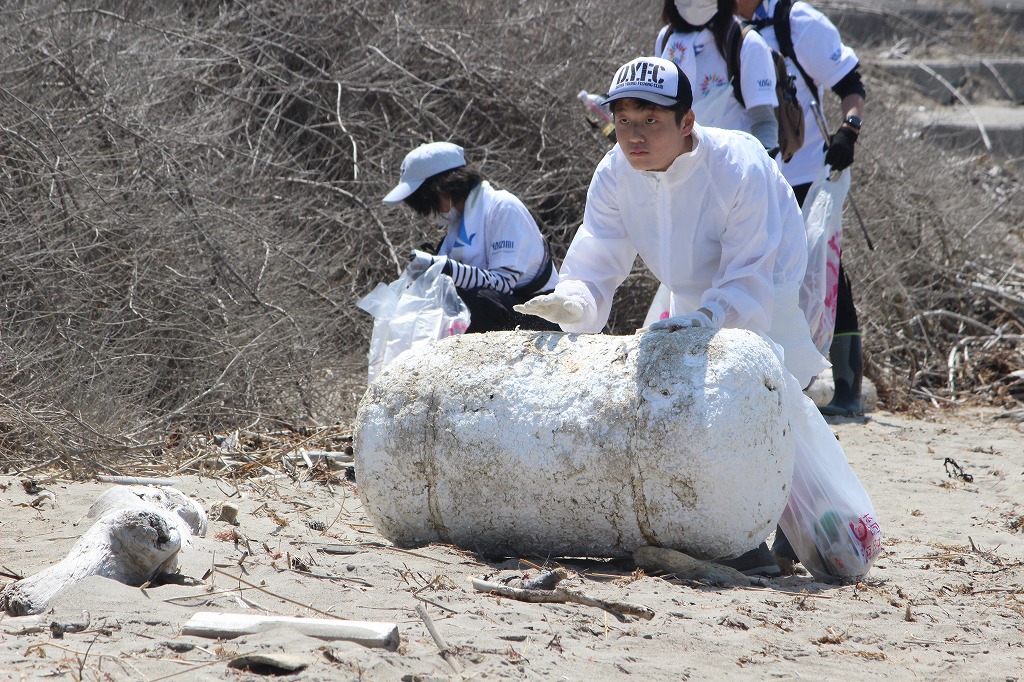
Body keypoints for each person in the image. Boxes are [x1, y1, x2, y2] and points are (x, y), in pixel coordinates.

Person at [517, 55, 841, 577]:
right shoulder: (615, 174)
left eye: (651, 120)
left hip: (771, 285)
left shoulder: (736, 165)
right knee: (699, 407)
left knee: (768, 395)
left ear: (686, 121)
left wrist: (714, 315)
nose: (634, 135)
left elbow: (750, 270)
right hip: (693, 295)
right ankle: (728, 532)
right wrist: (574, 300)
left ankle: (792, 529)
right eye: (624, 120)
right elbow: (598, 253)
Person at [735, 0, 867, 417]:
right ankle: (772, 385)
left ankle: (847, 390)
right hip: (750, 175)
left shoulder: (798, 22)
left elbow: (851, 84)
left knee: (826, 276)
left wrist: (848, 131)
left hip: (806, 175)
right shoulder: (715, 27)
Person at [382, 142, 560, 334]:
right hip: (507, 310)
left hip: (539, 314)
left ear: (441, 189)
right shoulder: (458, 224)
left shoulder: (502, 207)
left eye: (423, 201)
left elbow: (502, 283)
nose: (425, 211)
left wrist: (447, 269)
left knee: (475, 301)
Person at [656, 0, 780, 154]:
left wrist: (762, 163)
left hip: (734, 163)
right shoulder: (666, 39)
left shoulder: (747, 43)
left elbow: (764, 122)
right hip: (682, 165)